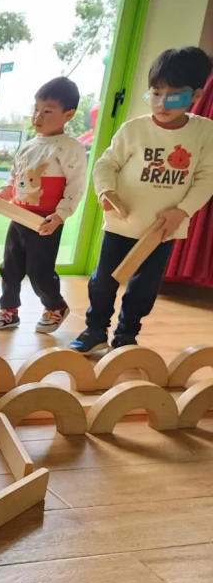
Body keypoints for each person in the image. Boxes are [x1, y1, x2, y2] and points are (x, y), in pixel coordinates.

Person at [71, 46, 213, 353]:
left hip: (163, 230)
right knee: (103, 281)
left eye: (174, 95)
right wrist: (106, 191)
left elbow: (207, 178)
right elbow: (105, 164)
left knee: (144, 288)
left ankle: (125, 336)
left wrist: (183, 211)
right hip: (123, 223)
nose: (162, 103)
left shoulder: (204, 133)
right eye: (156, 93)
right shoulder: (134, 129)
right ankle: (95, 330)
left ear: (196, 96)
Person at [0, 77, 87, 334]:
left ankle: (55, 306)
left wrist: (60, 216)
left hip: (45, 222)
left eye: (47, 111)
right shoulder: (28, 146)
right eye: (36, 110)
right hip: (18, 217)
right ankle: (9, 311)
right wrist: (0, 195)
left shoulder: (70, 148)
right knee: (10, 267)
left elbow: (75, 187)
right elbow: (14, 180)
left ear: (69, 114)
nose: (38, 116)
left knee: (39, 271)